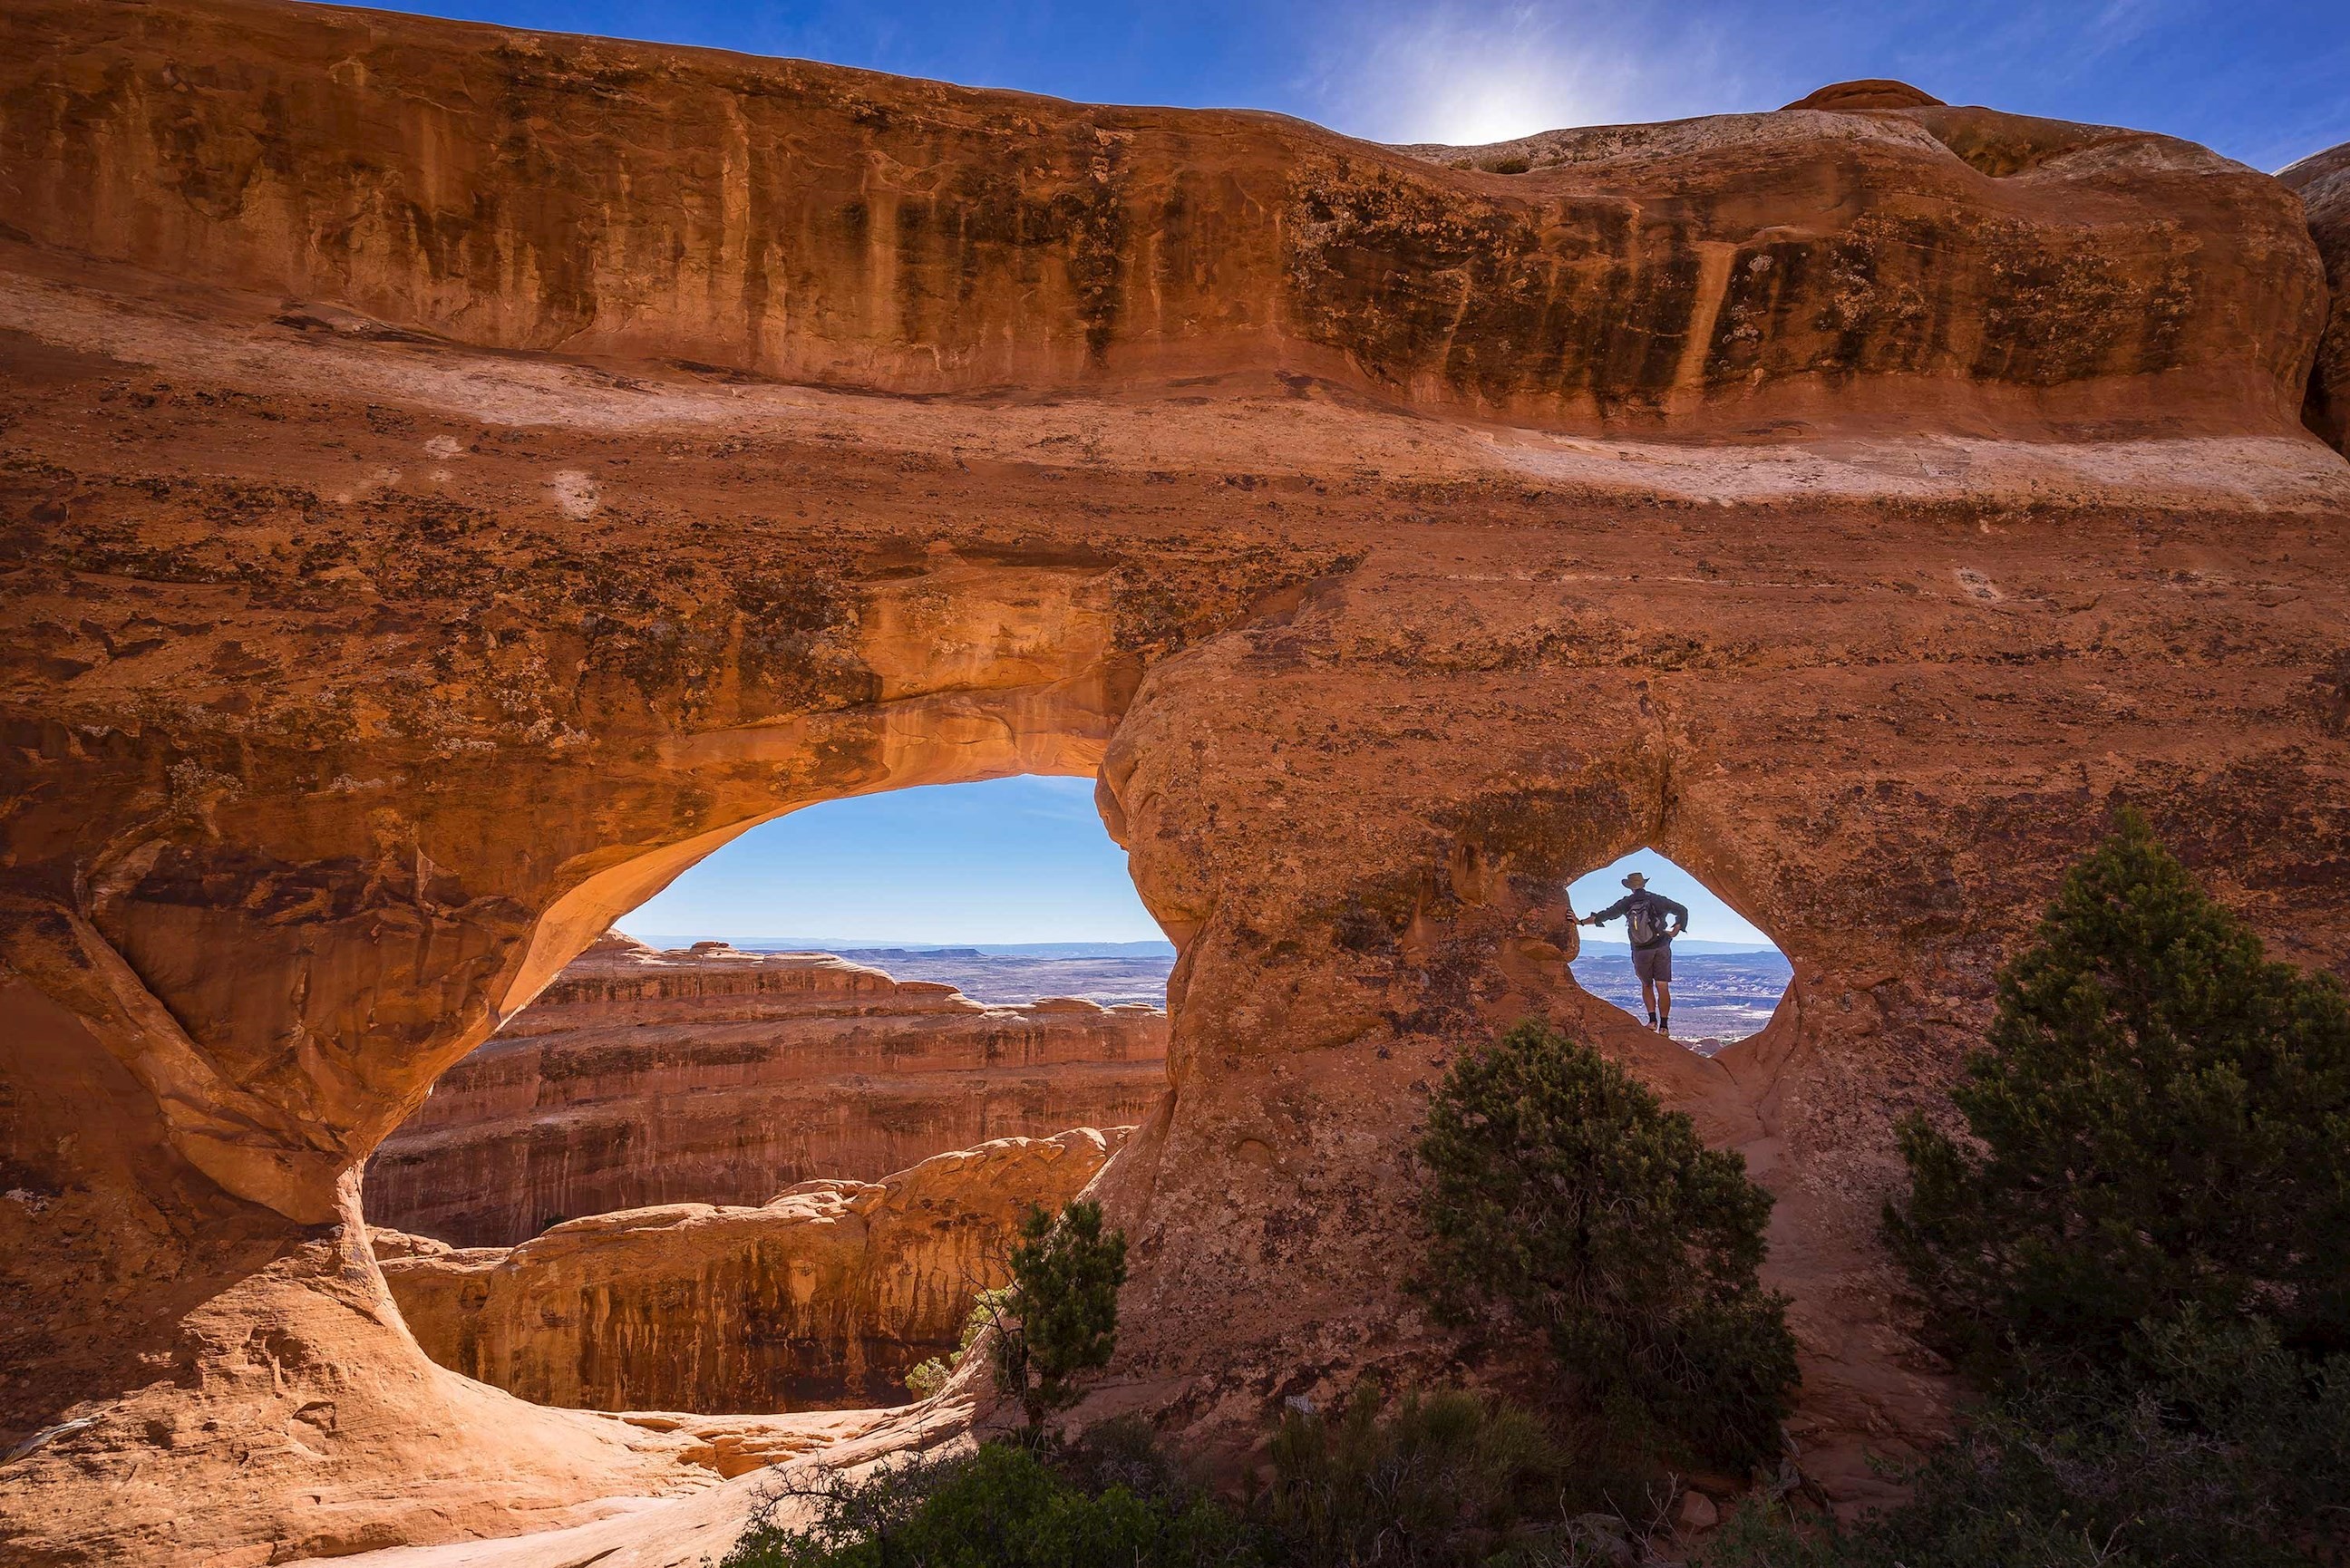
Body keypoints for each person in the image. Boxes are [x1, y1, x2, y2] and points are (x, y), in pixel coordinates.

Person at [1578, 870, 1689, 1033]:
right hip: (1662, 946)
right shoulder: (1657, 899)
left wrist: (1580, 922)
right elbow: (1682, 910)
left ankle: (1652, 1022)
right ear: (1644, 884)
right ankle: (1664, 1027)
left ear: (1630, 887)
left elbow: (1604, 915)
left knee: (1647, 985)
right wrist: (1676, 930)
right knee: (1662, 986)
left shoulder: (1627, 902)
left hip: (1641, 950)